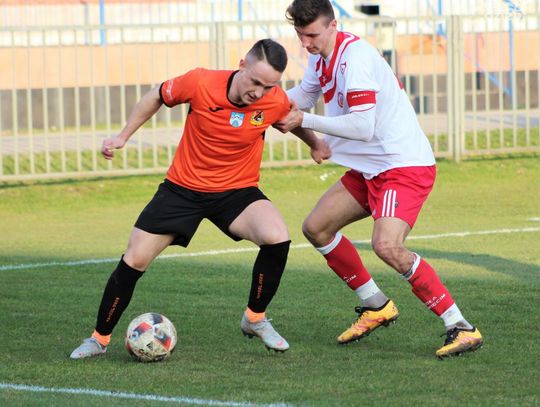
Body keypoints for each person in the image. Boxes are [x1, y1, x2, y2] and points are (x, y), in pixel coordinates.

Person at [70, 38, 330, 358]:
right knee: (134, 260)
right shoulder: (201, 82)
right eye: (255, 82)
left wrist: (315, 144)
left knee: (277, 237)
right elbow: (157, 95)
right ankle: (98, 339)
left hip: (237, 191)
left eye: (268, 86)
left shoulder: (273, 99)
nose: (259, 92)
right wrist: (123, 136)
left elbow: (290, 118)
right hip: (182, 189)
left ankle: (254, 318)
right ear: (242, 65)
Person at [275, 0, 483, 358]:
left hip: (402, 165)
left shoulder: (355, 58)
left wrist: (304, 121)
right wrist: (264, 99)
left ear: (332, 25)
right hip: (370, 167)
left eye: (311, 35)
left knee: (387, 246)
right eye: (300, 35)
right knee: (317, 228)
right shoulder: (321, 56)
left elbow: (362, 126)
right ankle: (375, 304)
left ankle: (461, 326)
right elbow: (304, 95)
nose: (306, 43)